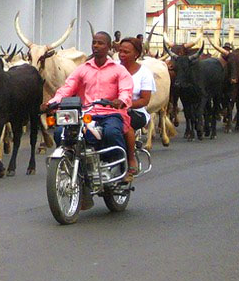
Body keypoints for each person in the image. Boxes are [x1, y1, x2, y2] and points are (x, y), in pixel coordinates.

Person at [41, 31, 133, 164]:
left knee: (111, 133)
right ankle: (71, 163)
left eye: (100, 43)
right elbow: (67, 89)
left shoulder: (119, 70)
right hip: (84, 115)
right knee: (59, 132)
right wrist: (51, 103)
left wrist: (120, 101)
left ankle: (119, 164)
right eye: (94, 42)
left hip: (111, 114)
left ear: (108, 47)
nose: (96, 46)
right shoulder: (82, 69)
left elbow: (126, 90)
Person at [118, 37, 156, 180]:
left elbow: (145, 100)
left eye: (126, 52)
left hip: (135, 111)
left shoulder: (144, 73)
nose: (122, 54)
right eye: (120, 51)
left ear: (136, 54)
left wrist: (124, 104)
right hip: (109, 109)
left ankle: (131, 158)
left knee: (124, 124)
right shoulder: (113, 67)